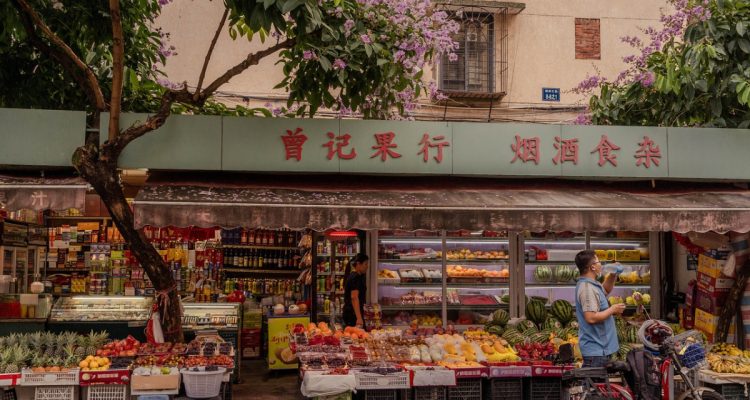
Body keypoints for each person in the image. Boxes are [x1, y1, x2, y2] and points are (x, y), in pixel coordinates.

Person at [574, 249, 626, 368]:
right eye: (598, 262)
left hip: (600, 350)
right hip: (596, 351)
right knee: (594, 385)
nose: (600, 264)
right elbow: (591, 318)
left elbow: (606, 290)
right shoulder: (587, 289)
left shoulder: (592, 284)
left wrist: (613, 274)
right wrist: (612, 310)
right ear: (592, 267)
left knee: (596, 385)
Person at [343, 253, 369, 328]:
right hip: (353, 314)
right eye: (365, 264)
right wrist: (359, 318)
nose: (367, 267)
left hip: (351, 312)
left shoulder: (354, 276)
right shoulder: (355, 277)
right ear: (358, 264)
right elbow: (354, 297)